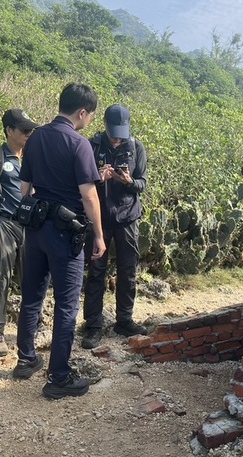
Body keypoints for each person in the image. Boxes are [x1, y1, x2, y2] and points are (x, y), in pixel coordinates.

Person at [14, 83, 105, 399]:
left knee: (32, 295)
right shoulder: (79, 144)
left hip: (36, 228)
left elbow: (25, 187)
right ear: (82, 112)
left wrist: (40, 208)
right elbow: (89, 195)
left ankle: (26, 359)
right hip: (66, 232)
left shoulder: (35, 137)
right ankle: (59, 377)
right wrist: (99, 236)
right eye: (90, 115)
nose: (89, 121)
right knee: (66, 303)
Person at [81, 104, 148, 349]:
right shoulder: (92, 145)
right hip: (99, 218)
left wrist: (129, 181)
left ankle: (124, 320)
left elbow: (142, 183)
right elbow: (82, 181)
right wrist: (99, 177)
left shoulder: (136, 147)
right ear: (105, 126)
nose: (117, 137)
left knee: (128, 270)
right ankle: (93, 326)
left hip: (128, 217)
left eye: (121, 132)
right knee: (96, 271)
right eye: (113, 132)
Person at [0, 109, 40, 356]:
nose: (28, 134)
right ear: (9, 131)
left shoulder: (33, 157)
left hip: (30, 226)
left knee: (32, 279)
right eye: (24, 130)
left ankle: (30, 328)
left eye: (30, 130)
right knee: (0, 278)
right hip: (3, 223)